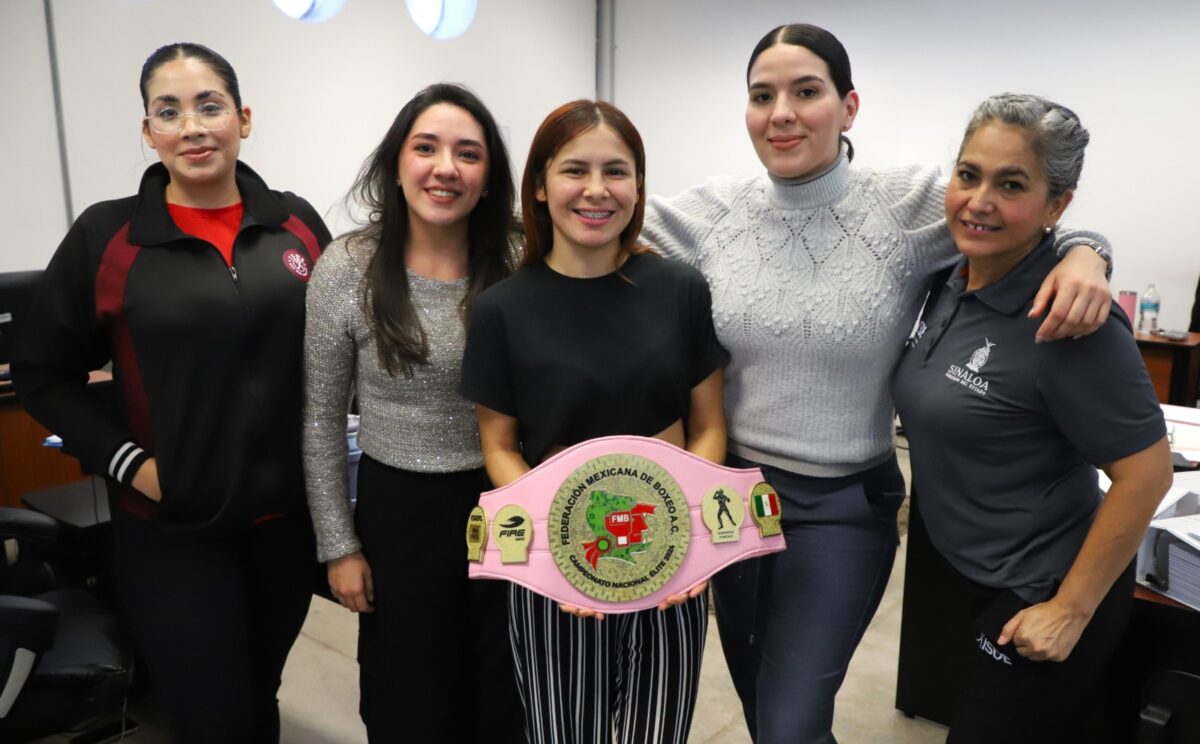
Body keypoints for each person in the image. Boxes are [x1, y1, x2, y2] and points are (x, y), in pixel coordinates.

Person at [639, 23, 1117, 743]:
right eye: (762, 95)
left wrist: (1088, 254)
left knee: (789, 722)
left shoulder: (906, 203)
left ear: (849, 106)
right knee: (768, 710)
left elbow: (1022, 211)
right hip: (732, 499)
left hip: (842, 507)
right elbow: (591, 215)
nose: (783, 113)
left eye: (807, 91)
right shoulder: (714, 209)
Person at [12, 43, 331, 742]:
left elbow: (341, 351)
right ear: (148, 130)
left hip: (285, 528)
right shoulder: (110, 236)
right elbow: (41, 374)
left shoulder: (298, 223)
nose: (192, 126)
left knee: (258, 695)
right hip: (174, 532)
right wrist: (136, 467)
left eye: (210, 105)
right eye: (169, 110)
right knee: (209, 716)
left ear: (243, 119)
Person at [892, 93, 1171, 743]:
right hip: (968, 569)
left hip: (1041, 586)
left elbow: (1147, 475)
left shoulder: (1071, 319)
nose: (979, 201)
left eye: (1011, 184)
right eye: (969, 175)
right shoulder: (949, 276)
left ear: (1057, 205)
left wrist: (1070, 610)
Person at [459, 100, 728, 744]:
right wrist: (557, 557)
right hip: (557, 565)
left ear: (638, 186)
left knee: (656, 731)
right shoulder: (501, 309)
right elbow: (498, 447)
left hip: (669, 565)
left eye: (618, 171)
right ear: (542, 187)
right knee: (563, 730)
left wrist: (691, 547)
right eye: (575, 170)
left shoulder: (680, 288)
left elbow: (710, 428)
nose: (597, 190)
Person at [301, 83, 523, 742]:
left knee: (503, 696)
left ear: (490, 178)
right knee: (409, 702)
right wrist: (338, 546)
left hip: (505, 500)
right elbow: (318, 416)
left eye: (468, 153)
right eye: (425, 148)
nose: (445, 168)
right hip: (400, 515)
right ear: (397, 164)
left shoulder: (518, 259)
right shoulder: (349, 267)